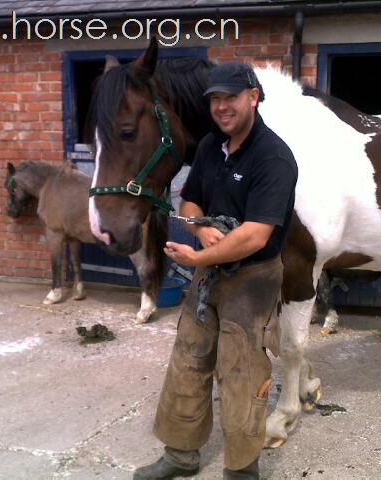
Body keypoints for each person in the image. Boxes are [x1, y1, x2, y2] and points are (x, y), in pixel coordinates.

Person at [133, 61, 298, 480]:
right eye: (215, 100)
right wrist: (200, 227)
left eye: (231, 97)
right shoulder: (209, 146)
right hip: (210, 275)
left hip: (252, 278)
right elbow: (189, 202)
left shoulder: (274, 157)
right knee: (188, 358)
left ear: (254, 97)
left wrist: (197, 258)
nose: (222, 107)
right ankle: (181, 455)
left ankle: (242, 469)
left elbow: (257, 236)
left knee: (241, 372)